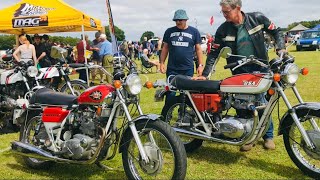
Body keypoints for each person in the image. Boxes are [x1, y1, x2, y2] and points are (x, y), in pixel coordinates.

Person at [195, 0, 286, 151]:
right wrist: (205, 74)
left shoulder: (257, 18)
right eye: (222, 12)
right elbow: (214, 53)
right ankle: (247, 137)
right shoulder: (223, 30)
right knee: (241, 103)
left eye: (226, 12)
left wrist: (280, 47)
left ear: (237, 8)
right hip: (238, 70)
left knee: (262, 102)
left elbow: (277, 31)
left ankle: (268, 136)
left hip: (260, 67)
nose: (224, 15)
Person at [159, 9, 204, 115]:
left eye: (180, 20)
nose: (178, 22)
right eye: (176, 20)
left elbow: (198, 49)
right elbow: (165, 48)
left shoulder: (194, 32)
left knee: (187, 94)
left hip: (187, 68)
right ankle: (166, 115)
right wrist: (161, 62)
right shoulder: (169, 31)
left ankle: (182, 115)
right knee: (170, 93)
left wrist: (200, 65)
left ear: (185, 19)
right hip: (172, 69)